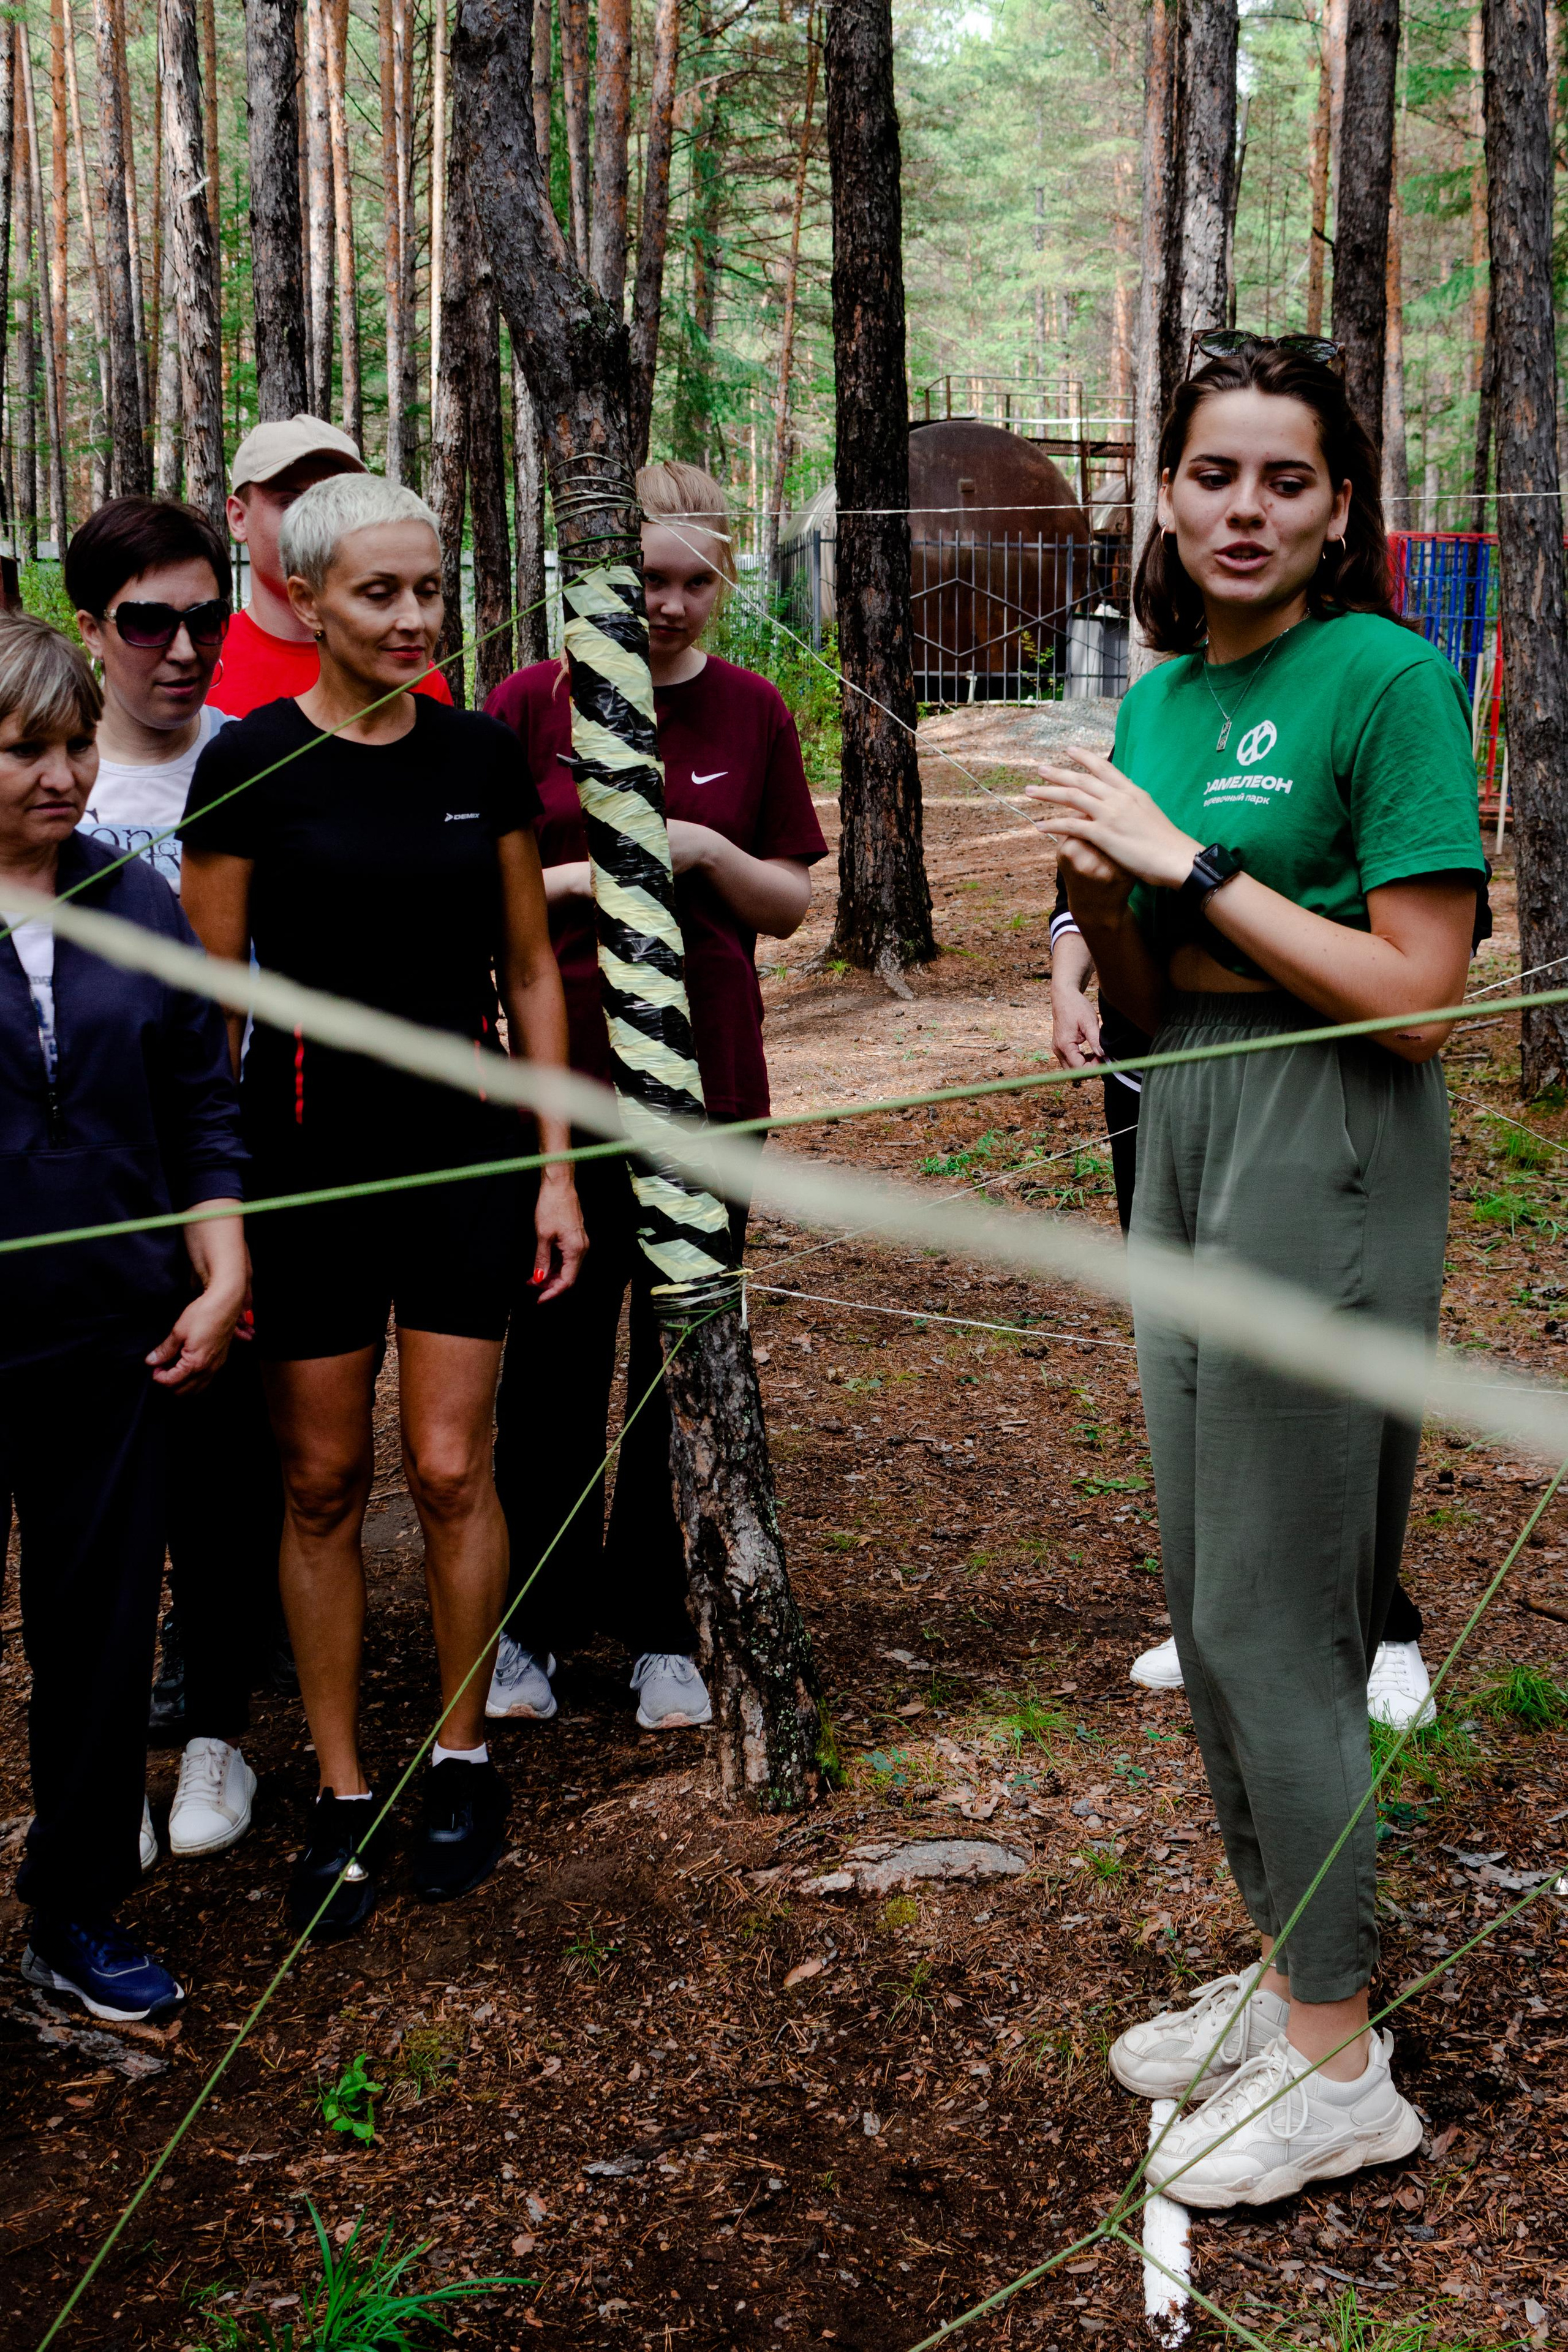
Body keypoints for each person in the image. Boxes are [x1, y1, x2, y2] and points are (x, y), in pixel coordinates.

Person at [1025, 333, 1486, 2206]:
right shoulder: (1153, 696)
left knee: (1287, 1604)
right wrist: (1085, 912)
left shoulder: (1384, 676)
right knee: (1210, 1601)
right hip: (1187, 1125)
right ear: (1166, 491)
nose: (1243, 509)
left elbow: (1418, 999)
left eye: (1284, 480)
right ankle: (1287, 1965)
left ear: (1339, 510)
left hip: (1329, 1140)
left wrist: (1184, 871)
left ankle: (1335, 2058)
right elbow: (1143, 991)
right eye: (1213, 473)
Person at [179, 475, 585, 1942]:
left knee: (450, 1464)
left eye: (427, 589)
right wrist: (211, 1212)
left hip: (467, 1155)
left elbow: (531, 970)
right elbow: (204, 1012)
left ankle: (462, 1757)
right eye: (378, 593)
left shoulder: (480, 754)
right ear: (303, 597)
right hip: (303, 1168)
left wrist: (552, 1165)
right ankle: (345, 1789)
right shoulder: (249, 766)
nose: (412, 617)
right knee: (320, 1481)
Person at [483, 459, 827, 1732]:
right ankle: (529, 1624)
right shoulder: (528, 704)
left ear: (722, 583)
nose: (667, 606)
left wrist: (701, 855)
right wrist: (597, 878)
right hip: (558, 1085)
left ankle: (661, 1628)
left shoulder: (750, 712)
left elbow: (788, 901)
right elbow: (488, 891)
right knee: (553, 1363)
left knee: (677, 1365)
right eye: (643, 583)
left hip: (709, 1081)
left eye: (692, 582)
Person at [0, 614, 247, 2021]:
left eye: (73, 744)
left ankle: (72, 1907)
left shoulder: (138, 904)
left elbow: (201, 1112)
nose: (60, 772)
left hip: (114, 1339)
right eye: (24, 747)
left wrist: (219, 1276)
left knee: (96, 1641)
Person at [1050, 873, 1439, 1732]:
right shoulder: (1142, 743)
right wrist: (1069, 982)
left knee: (1316, 1377)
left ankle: (1383, 1631)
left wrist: (1195, 870)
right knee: (1199, 1369)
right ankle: (1222, 1620)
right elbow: (1082, 893)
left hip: (1294, 1094)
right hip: (1161, 1092)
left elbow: (1413, 962)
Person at [67, 496, 282, 1867]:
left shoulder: (261, 765)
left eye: (207, 616)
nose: (184, 647)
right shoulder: (45, 780)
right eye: (149, 621)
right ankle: (95, 1777)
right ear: (93, 630)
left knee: (223, 1461)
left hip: (236, 1155)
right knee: (89, 1486)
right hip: (77, 1180)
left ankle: (215, 1737)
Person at [211, 415, 453, 719]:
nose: (315, 523)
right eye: (291, 503)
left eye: (339, 506)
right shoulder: (199, 659)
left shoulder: (407, 666)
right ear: (238, 517)